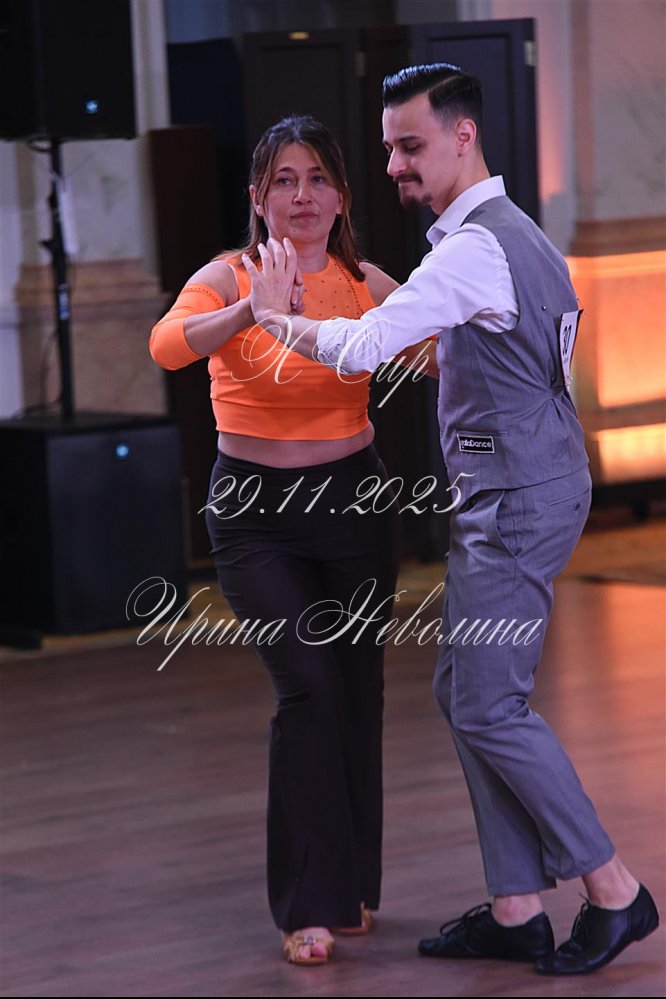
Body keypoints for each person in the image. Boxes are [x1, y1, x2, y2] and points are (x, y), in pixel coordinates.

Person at [240, 65, 660, 975]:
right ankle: (515, 906)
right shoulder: (518, 234)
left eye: (410, 146)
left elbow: (362, 347)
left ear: (463, 136)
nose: (394, 164)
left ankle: (614, 887)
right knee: (463, 691)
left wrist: (276, 319)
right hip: (530, 485)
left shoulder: (472, 251)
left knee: (490, 703)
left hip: (513, 500)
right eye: (390, 148)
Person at [149, 115, 439, 966]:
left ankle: (350, 888)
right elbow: (166, 347)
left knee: (356, 690)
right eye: (283, 179)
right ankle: (307, 902)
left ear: (342, 196)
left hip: (354, 502)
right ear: (258, 197)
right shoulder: (227, 276)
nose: (302, 195)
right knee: (307, 688)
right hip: (253, 514)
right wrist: (255, 310)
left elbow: (431, 353)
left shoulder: (365, 281)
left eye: (317, 178)